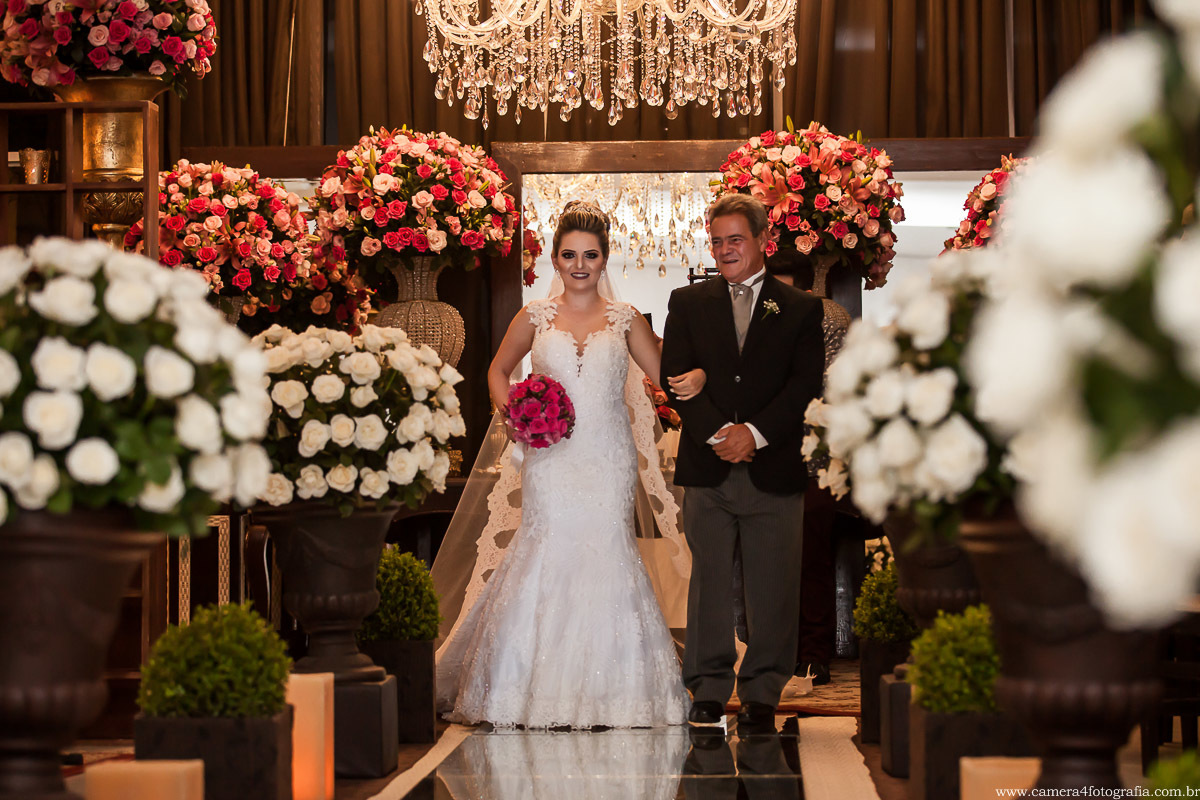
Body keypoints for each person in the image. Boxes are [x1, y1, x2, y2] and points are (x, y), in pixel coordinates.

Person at [434, 200, 705, 728]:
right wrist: (511, 411)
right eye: (569, 255)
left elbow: (663, 373)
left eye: (591, 255)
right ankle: (524, 688)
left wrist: (697, 374)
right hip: (550, 458)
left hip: (608, 459)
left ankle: (618, 693)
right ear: (555, 260)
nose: (580, 264)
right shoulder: (534, 315)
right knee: (546, 547)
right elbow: (497, 370)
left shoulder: (625, 319)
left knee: (607, 549)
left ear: (604, 261)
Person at [661, 194, 824, 734]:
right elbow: (676, 378)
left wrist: (752, 434)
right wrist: (718, 434)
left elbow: (804, 385)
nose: (725, 250)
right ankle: (707, 691)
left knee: (772, 584)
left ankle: (762, 695)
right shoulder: (687, 302)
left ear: (762, 243)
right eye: (717, 241)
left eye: (735, 240)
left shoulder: (800, 307)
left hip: (773, 468)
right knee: (707, 583)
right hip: (708, 469)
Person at [764, 248, 849, 687]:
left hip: (817, 454)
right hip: (763, 452)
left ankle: (814, 653)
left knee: (811, 552)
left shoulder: (828, 318)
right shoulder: (756, 313)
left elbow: (835, 390)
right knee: (766, 556)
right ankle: (771, 652)